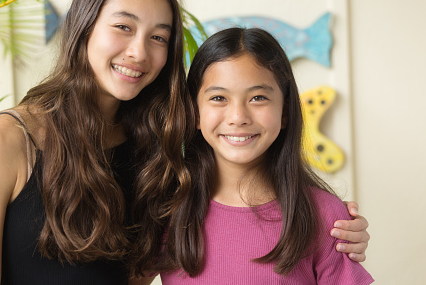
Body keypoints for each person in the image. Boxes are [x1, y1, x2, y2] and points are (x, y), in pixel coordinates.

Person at [0, 0, 369, 284]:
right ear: (84, 29)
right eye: (123, 27)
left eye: (158, 37)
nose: (138, 52)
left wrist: (328, 223)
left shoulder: (158, 153)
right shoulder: (6, 141)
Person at [135, 28, 373, 284]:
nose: (238, 117)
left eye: (258, 98)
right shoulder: (166, 208)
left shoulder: (325, 216)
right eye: (218, 98)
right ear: (194, 112)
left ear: (285, 112)